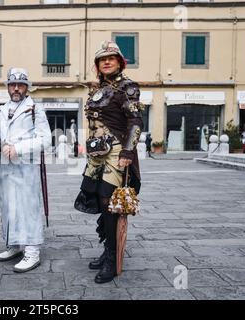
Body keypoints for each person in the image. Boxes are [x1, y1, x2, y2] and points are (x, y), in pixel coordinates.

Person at [74, 41, 144, 284]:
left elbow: (135, 122)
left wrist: (127, 152)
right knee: (96, 199)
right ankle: (106, 251)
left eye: (111, 58)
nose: (106, 61)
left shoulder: (128, 88)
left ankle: (113, 260)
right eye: (101, 59)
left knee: (109, 202)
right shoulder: (97, 90)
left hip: (116, 152)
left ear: (119, 62)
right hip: (96, 154)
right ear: (97, 65)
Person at [0, 68, 52, 273]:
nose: (16, 88)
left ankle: (32, 250)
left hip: (26, 166)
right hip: (5, 167)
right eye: (12, 84)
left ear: (26, 87)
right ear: (7, 87)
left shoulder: (35, 110)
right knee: (9, 205)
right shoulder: (0, 110)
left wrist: (18, 149)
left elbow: (46, 139)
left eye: (20, 85)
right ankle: (14, 243)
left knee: (28, 207)